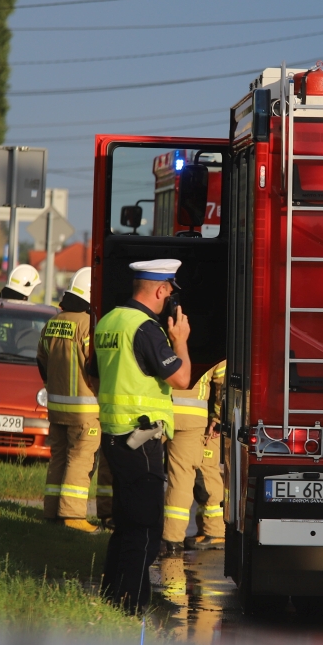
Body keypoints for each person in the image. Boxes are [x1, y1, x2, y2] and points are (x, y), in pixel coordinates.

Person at [90, 259, 191, 613]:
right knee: (145, 529)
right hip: (141, 438)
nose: (169, 300)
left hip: (115, 435)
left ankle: (110, 597)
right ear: (161, 289)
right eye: (169, 292)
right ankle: (130, 607)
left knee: (125, 523)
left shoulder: (109, 321)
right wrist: (180, 341)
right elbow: (181, 378)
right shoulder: (145, 328)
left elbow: (93, 375)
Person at [36, 267, 102, 533]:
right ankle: (73, 516)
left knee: (59, 458)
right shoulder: (89, 324)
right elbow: (95, 367)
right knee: (81, 458)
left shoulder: (54, 321)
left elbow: (41, 360)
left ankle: (51, 511)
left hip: (56, 406)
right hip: (85, 410)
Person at [164, 358, 226, 555]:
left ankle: (138, 529)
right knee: (188, 476)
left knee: (142, 470)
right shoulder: (212, 342)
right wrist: (218, 418)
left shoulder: (158, 333)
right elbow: (223, 387)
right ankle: (173, 537)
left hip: (155, 411)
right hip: (195, 419)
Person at [188, 359, 227, 550]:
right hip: (200, 420)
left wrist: (218, 419)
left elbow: (224, 386)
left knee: (206, 474)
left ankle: (215, 531)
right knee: (199, 476)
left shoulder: (214, 348)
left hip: (208, 425)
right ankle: (205, 529)